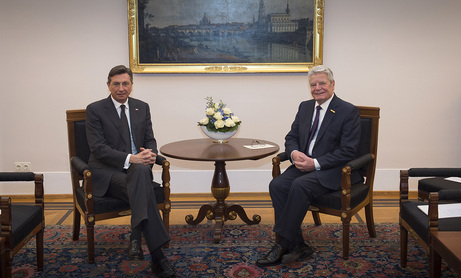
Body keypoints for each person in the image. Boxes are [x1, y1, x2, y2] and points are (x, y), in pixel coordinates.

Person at [255, 65, 362, 267]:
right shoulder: (305, 107)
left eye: (322, 83)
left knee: (299, 186)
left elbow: (348, 151)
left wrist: (316, 163)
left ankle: (282, 243)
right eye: (313, 84)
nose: (318, 88)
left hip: (333, 170)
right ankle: (299, 245)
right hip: (304, 166)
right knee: (277, 185)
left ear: (332, 84)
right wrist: (294, 152)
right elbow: (292, 137)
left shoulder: (348, 111)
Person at [86, 65, 177, 277]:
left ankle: (135, 239)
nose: (121, 88)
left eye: (125, 83)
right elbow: (98, 149)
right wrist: (132, 158)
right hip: (108, 173)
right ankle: (157, 256)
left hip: (138, 171)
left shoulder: (142, 107)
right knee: (140, 174)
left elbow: (149, 140)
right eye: (116, 84)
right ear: (108, 85)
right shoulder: (95, 109)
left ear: (132, 86)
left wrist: (150, 154)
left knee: (140, 171)